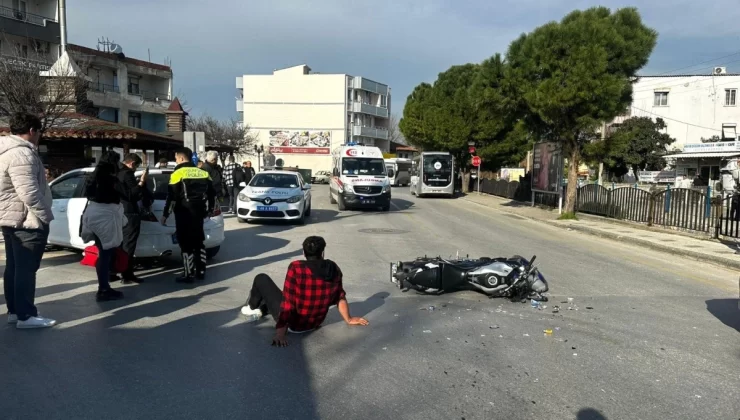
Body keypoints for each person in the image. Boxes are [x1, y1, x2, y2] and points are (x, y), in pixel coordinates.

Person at [241, 236, 369, 347]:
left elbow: (288, 302)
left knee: (261, 278)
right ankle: (263, 309)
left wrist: (280, 333)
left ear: (304, 252)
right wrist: (349, 319)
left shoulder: (297, 267)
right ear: (322, 252)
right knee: (277, 295)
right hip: (314, 323)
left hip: (294, 325)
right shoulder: (333, 267)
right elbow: (340, 296)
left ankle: (251, 308)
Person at [0, 112, 56, 329]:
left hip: (11, 217)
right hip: (27, 220)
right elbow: (29, 192)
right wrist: (45, 215)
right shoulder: (22, 154)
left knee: (14, 267)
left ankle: (15, 311)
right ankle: (26, 315)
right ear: (33, 131)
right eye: (39, 132)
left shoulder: (6, 151)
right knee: (25, 269)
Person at [161, 147, 216, 283]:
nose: (175, 160)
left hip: (184, 213)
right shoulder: (203, 172)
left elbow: (172, 197)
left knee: (185, 244)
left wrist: (166, 214)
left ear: (180, 158)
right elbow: (212, 195)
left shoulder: (178, 173)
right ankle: (201, 271)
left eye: (175, 158)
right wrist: (208, 211)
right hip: (199, 214)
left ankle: (188, 273)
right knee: (199, 242)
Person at [80, 160, 128, 301]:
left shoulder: (92, 179)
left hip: (94, 214)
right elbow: (126, 194)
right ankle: (103, 289)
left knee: (103, 253)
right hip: (107, 217)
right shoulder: (111, 180)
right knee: (106, 254)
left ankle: (104, 286)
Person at [113, 153, 148, 283]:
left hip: (117, 211)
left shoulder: (117, 173)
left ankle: (114, 270)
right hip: (129, 212)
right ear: (132, 163)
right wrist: (142, 181)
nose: (135, 170)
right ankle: (127, 274)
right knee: (129, 244)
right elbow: (133, 194)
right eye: (136, 166)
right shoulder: (127, 174)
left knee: (118, 244)